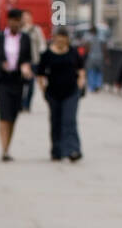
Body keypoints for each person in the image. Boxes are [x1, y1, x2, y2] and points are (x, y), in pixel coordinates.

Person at [0, 7, 33, 160]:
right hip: (2, 80)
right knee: (4, 115)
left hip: (18, 80)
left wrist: (26, 66)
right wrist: (0, 65)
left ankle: (8, 145)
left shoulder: (25, 38)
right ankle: (4, 149)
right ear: (8, 21)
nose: (16, 24)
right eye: (13, 21)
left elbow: (28, 57)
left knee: (13, 116)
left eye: (18, 21)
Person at [35, 26, 86, 162]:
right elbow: (40, 74)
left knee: (69, 120)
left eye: (64, 40)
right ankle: (57, 149)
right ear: (54, 39)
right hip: (53, 92)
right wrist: (43, 89)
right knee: (55, 120)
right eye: (59, 39)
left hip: (71, 91)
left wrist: (80, 84)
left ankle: (73, 149)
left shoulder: (73, 52)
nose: (61, 42)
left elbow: (81, 70)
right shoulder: (47, 54)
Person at [20, 9, 47, 111]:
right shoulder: (19, 30)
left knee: (31, 84)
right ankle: (20, 103)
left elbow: (42, 44)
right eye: (24, 17)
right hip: (22, 61)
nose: (25, 19)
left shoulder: (36, 30)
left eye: (27, 17)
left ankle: (27, 104)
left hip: (33, 60)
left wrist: (43, 58)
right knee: (21, 84)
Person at [83, 27, 105, 92]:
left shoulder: (89, 38)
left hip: (91, 57)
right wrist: (106, 57)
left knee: (91, 72)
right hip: (100, 57)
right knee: (99, 72)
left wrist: (85, 55)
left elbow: (87, 48)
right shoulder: (101, 38)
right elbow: (104, 48)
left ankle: (92, 86)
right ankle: (98, 85)